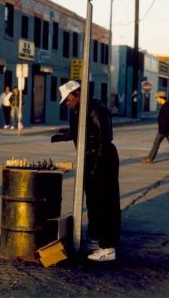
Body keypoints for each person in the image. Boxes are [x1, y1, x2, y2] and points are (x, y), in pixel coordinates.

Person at [51, 80, 120, 262]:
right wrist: (65, 136)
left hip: (101, 159)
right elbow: (83, 131)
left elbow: (103, 138)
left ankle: (108, 247)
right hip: (91, 159)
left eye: (68, 98)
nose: (66, 102)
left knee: (104, 203)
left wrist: (95, 166)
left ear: (78, 94)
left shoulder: (94, 108)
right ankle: (97, 239)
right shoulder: (79, 110)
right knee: (94, 202)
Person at [143, 91, 169, 165]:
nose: (156, 100)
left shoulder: (166, 106)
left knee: (156, 144)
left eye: (157, 98)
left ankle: (149, 159)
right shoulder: (165, 105)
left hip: (164, 130)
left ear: (161, 98)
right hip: (165, 129)